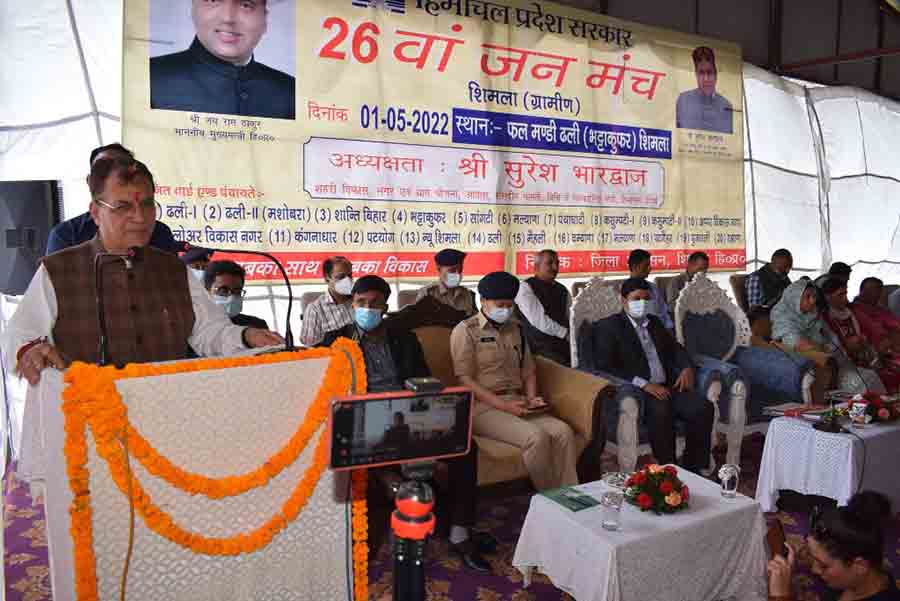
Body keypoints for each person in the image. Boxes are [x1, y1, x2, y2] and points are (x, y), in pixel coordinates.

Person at [1, 157, 283, 385]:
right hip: (85, 428)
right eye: (123, 206)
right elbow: (18, 335)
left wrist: (246, 337)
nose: (140, 216)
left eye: (147, 204)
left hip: (164, 423)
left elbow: (209, 332)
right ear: (96, 213)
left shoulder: (173, 270)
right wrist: (28, 351)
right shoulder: (58, 270)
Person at [319, 276, 494, 572]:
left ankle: (460, 532)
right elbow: (326, 391)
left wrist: (425, 405)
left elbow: (424, 379)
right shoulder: (336, 341)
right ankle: (388, 480)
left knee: (465, 447)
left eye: (375, 304)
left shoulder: (404, 337)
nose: (368, 309)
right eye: (361, 303)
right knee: (357, 441)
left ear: (385, 306)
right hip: (362, 418)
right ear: (352, 304)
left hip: (406, 413)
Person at [450, 271, 578, 491]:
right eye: (500, 305)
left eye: (510, 305)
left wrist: (531, 397)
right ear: (483, 301)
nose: (506, 310)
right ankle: (551, 497)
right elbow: (465, 380)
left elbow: (528, 371)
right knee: (536, 438)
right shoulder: (465, 331)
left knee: (563, 432)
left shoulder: (516, 328)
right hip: (482, 408)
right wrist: (503, 406)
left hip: (517, 401)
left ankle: (572, 493)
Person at [589, 278, 713, 473]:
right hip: (639, 391)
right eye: (636, 298)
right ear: (623, 300)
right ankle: (668, 469)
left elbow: (676, 349)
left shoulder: (654, 322)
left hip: (669, 385)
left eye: (646, 299)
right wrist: (644, 385)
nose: (642, 303)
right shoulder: (609, 326)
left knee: (703, 407)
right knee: (661, 410)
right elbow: (606, 366)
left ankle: (694, 467)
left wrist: (686, 367)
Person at [150, 0, 295, 119]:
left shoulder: (290, 92)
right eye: (213, 0)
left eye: (246, 4)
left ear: (265, 20)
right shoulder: (150, 78)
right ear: (193, 9)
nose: (228, 18)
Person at [46, 143, 180, 255]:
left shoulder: (160, 234)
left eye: (123, 168)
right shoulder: (66, 235)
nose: (139, 217)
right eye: (122, 207)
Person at [767, 491, 898, 601]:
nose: (814, 570)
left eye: (824, 565)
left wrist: (780, 596)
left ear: (860, 566)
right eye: (812, 557)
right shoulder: (858, 578)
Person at [820, 278, 892, 393]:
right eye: (840, 295)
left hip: (861, 358)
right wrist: (848, 345)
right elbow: (832, 347)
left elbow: (867, 335)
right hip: (841, 365)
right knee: (864, 382)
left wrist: (862, 341)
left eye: (845, 294)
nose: (845, 298)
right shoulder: (825, 318)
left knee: (874, 376)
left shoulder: (850, 313)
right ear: (828, 297)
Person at [770, 279, 839, 395]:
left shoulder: (812, 315)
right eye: (807, 297)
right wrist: (822, 348)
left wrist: (825, 347)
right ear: (794, 298)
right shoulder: (782, 317)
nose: (813, 301)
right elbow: (798, 344)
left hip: (819, 360)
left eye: (814, 296)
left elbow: (830, 340)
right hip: (795, 364)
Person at [515, 249, 571, 366]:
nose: (555, 267)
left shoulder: (562, 289)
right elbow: (539, 321)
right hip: (537, 346)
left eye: (557, 263)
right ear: (536, 266)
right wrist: (566, 334)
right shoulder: (525, 288)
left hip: (563, 342)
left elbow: (570, 317)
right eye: (549, 263)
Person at [675, 46, 734, 134]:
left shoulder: (726, 105)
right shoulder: (683, 100)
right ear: (696, 74)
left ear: (716, 74)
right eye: (701, 73)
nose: (706, 79)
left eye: (709, 72)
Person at [300, 256, 354, 347]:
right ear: (327, 278)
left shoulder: (359, 301)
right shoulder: (315, 309)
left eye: (349, 275)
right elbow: (310, 348)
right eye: (341, 277)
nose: (347, 280)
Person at [203, 260, 269, 329]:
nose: (231, 297)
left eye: (237, 291)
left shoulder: (257, 326)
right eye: (223, 290)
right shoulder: (194, 328)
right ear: (206, 292)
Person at [415, 248, 477, 317]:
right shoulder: (427, 293)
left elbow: (474, 321)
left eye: (460, 270)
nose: (457, 273)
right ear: (439, 269)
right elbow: (420, 324)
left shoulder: (466, 294)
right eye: (452, 270)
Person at [852, 277, 900, 354]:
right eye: (877, 290)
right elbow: (877, 333)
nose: (880, 294)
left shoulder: (880, 309)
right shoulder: (856, 311)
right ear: (862, 292)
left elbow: (895, 324)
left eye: (880, 291)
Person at [628, 249, 674, 330]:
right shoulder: (624, 291)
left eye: (649, 265)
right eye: (646, 266)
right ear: (635, 267)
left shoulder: (653, 288)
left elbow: (664, 314)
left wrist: (669, 331)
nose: (649, 269)